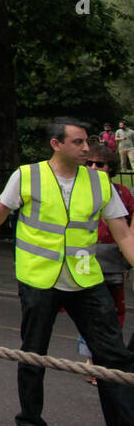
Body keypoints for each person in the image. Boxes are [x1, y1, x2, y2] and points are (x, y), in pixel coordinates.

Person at [0, 118, 134, 426]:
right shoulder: (27, 176)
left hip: (86, 279)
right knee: (34, 352)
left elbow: (124, 236)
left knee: (114, 358)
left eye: (87, 141)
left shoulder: (100, 184)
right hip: (38, 278)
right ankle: (30, 423)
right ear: (56, 145)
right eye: (78, 142)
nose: (87, 148)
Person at [73, 145, 134, 383]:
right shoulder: (77, 190)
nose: (94, 168)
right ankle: (91, 362)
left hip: (113, 257)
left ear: (111, 168)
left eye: (100, 164)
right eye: (90, 163)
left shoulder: (121, 193)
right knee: (87, 309)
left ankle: (108, 360)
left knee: (114, 309)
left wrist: (127, 259)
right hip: (84, 256)